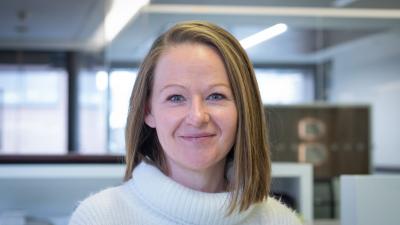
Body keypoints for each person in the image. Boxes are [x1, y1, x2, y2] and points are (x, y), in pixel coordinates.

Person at [69, 21, 302, 225]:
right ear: (148, 111)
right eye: (176, 98)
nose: (198, 116)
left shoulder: (279, 220)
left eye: (216, 96)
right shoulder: (100, 218)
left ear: (243, 109)